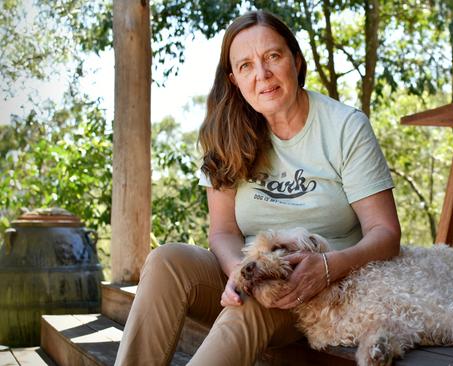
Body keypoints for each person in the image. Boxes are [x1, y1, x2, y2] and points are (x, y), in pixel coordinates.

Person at [115, 9, 400, 366]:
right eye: (246, 65)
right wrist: (238, 269)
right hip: (252, 270)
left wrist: (327, 266)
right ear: (233, 78)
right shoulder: (225, 135)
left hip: (326, 286)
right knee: (165, 261)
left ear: (295, 61)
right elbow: (223, 231)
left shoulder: (345, 127)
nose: (262, 75)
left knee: (255, 301)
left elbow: (385, 233)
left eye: (272, 57)